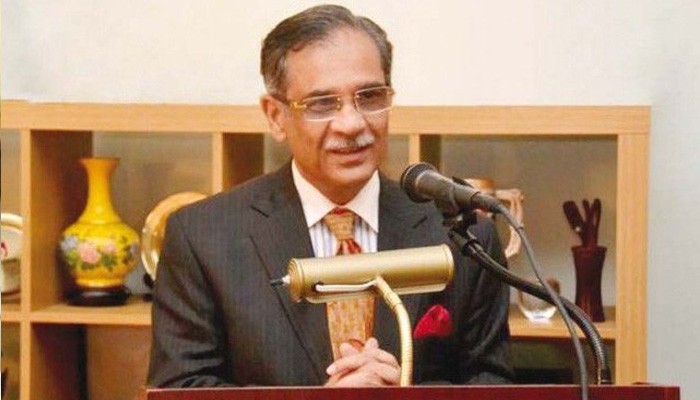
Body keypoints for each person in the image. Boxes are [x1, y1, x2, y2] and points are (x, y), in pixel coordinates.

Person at [147, 4, 512, 388]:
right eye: (321, 103)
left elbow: (493, 384)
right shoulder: (202, 236)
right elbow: (180, 389)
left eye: (370, 96)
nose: (352, 124)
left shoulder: (462, 235)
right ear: (275, 116)